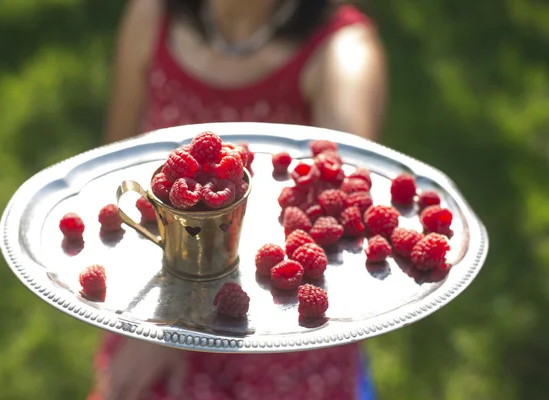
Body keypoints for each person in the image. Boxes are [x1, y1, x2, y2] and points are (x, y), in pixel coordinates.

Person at [92, 0, 387, 398]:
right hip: (155, 316)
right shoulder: (153, 17)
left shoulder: (341, 53)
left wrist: (172, 330)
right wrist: (158, 328)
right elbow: (113, 177)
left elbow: (343, 219)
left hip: (279, 347)